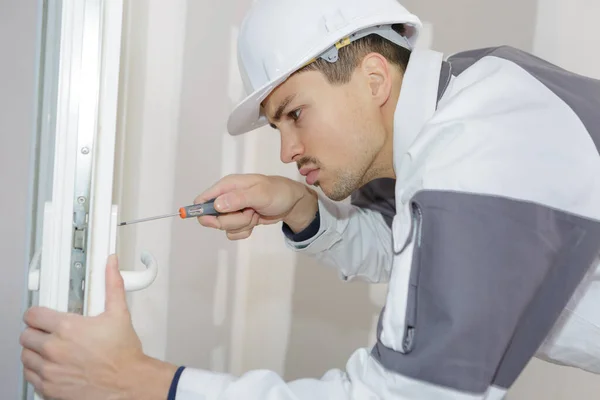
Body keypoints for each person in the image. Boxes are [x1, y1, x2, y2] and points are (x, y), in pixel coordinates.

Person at [20, 0, 600, 398]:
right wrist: (299, 207)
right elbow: (427, 256)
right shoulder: (465, 96)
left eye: (294, 114)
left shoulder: (479, 143)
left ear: (374, 78)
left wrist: (142, 381)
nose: (286, 150)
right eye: (278, 127)